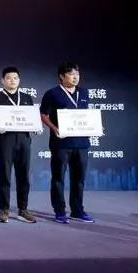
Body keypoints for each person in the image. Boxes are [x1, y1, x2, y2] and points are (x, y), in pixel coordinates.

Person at [40, 62, 95, 224]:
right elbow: (43, 114)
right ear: (62, 76)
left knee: (79, 179)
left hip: (82, 143)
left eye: (77, 74)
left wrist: (93, 126)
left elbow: (86, 115)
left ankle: (77, 210)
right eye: (71, 74)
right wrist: (54, 128)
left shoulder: (84, 92)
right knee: (58, 178)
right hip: (61, 143)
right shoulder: (52, 93)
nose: (75, 77)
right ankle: (60, 211)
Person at [0, 66, 37, 224]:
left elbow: (32, 117)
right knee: (5, 175)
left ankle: (23, 209)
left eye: (15, 78)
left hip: (24, 139)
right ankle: (4, 209)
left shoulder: (27, 97)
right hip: (5, 140)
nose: (12, 81)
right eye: (8, 78)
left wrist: (36, 126)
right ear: (2, 80)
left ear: (19, 80)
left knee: (24, 176)